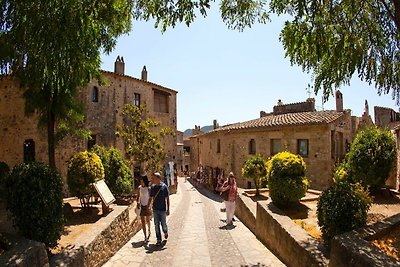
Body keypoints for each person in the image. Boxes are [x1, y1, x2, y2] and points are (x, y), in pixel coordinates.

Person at [148, 172, 170, 246]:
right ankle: (159, 239)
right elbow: (151, 198)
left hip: (163, 209)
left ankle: (165, 232)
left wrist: (168, 209)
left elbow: (167, 199)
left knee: (163, 224)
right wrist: (148, 206)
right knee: (156, 225)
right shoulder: (153, 187)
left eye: (154, 178)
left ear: (158, 178)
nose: (153, 179)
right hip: (155, 209)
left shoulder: (164, 187)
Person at [136, 175, 151, 242]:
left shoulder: (148, 188)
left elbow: (150, 198)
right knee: (143, 222)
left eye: (142, 180)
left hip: (147, 206)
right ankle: (145, 236)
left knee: (147, 220)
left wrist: (150, 206)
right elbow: (138, 197)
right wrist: (138, 203)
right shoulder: (139, 188)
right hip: (142, 206)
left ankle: (149, 230)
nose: (141, 181)